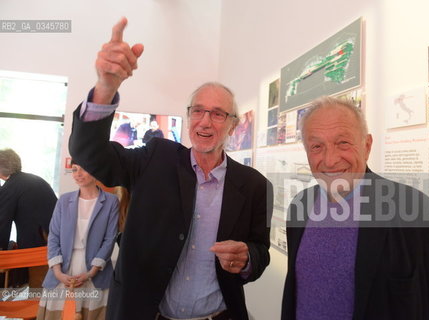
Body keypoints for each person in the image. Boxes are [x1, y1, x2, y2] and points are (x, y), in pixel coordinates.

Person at [68, 17, 272, 320]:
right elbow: (92, 156)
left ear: (233, 124)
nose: (205, 121)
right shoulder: (155, 157)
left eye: (218, 114)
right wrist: (106, 87)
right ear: (188, 117)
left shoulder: (255, 186)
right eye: (198, 111)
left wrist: (247, 259)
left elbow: (260, 252)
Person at [281, 97, 429, 319]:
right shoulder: (300, 205)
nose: (330, 160)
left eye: (343, 142)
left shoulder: (413, 210)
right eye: (317, 146)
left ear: (367, 145)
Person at [37, 162, 119, 320]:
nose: (78, 174)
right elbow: (53, 236)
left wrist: (91, 272)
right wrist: (57, 272)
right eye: (74, 170)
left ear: (95, 171)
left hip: (95, 270)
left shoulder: (111, 201)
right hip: (63, 268)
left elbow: (110, 239)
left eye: (84, 169)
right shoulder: (64, 200)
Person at [0, 148, 57, 287]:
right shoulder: (36, 180)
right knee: (47, 283)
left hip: (39, 242)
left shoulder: (10, 187)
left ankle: (37, 308)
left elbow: (2, 222)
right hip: (55, 238)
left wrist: (1, 251)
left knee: (37, 283)